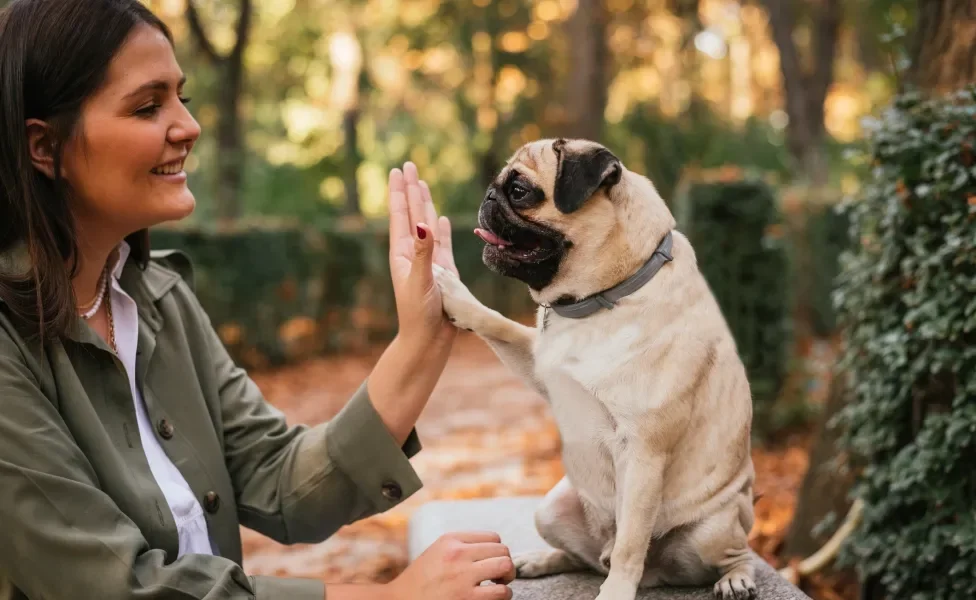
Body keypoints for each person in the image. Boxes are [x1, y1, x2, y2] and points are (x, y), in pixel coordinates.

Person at [0, 0, 517, 598]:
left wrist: (423, 336)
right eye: (147, 106)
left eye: (180, 99)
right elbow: (118, 587)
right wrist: (389, 596)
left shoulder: (159, 300)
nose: (188, 127)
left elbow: (279, 481)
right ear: (44, 147)